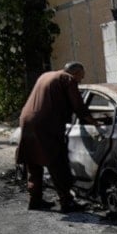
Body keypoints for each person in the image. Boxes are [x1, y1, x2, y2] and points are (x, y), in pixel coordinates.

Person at [16, 62, 99, 213]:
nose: (80, 81)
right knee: (57, 161)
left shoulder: (46, 75)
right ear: (75, 72)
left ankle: (35, 200)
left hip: (27, 120)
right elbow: (78, 105)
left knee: (33, 161)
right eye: (80, 77)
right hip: (46, 123)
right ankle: (67, 202)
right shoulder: (67, 79)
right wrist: (94, 122)